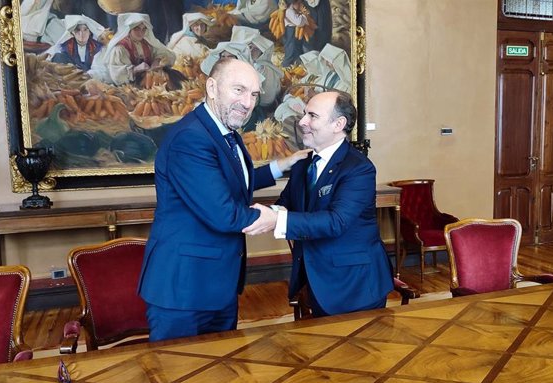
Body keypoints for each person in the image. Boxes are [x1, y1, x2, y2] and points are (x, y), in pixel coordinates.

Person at [137, 58, 310, 341]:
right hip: (184, 289)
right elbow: (224, 213)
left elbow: (236, 182)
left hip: (217, 283)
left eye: (254, 94)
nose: (248, 102)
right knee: (180, 374)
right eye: (239, 90)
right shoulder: (190, 139)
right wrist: (280, 219)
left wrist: (282, 165)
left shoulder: (224, 132)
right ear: (212, 87)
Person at [244, 91, 393, 317]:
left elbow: (336, 221)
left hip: (354, 284)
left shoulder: (358, 168)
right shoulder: (303, 163)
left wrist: (276, 219)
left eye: (312, 116)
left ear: (338, 124)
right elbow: (287, 204)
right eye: (304, 114)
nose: (302, 121)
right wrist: (262, 215)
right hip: (316, 279)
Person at [102, 13, 176, 85]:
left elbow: (165, 53)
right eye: (137, 29)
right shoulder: (120, 48)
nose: (141, 33)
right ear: (129, 30)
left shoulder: (148, 43)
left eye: (143, 29)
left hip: (150, 82)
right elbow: (117, 75)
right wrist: (135, 69)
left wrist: (157, 60)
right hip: (130, 86)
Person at [282, 0, 308, 67]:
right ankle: (285, 65)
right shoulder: (289, 11)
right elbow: (299, 22)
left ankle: (297, 64)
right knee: (291, 49)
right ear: (293, 3)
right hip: (290, 31)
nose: (300, 5)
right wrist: (304, 15)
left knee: (297, 48)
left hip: (295, 31)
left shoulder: (295, 10)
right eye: (298, 3)